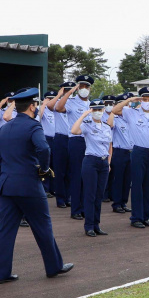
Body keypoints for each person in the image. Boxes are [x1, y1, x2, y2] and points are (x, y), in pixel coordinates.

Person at [0, 88, 73, 282]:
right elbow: (44, 148)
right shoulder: (33, 126)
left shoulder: (5, 127)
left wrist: (1, 180)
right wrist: (44, 169)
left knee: (5, 230)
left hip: (7, 184)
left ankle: (1, 273)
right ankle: (53, 266)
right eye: (35, 105)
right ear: (31, 106)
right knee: (42, 226)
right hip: (28, 184)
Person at [111, 88, 149, 228]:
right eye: (144, 99)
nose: (147, 102)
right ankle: (136, 217)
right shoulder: (131, 113)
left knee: (148, 186)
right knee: (137, 185)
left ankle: (145, 217)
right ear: (140, 100)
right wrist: (129, 100)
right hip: (138, 151)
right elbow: (114, 110)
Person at [71, 100, 113, 236]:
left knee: (99, 195)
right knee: (90, 194)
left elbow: (110, 146)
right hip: (91, 161)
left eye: (100, 110)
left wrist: (109, 162)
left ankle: (96, 225)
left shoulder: (106, 127)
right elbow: (74, 130)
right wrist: (83, 116)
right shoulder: (87, 125)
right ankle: (88, 225)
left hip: (103, 163)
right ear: (91, 110)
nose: (98, 112)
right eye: (95, 110)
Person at [55, 76, 93, 219]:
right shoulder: (71, 102)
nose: (84, 89)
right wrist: (69, 92)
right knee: (76, 175)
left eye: (86, 87)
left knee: (87, 176)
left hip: (89, 141)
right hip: (76, 141)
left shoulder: (92, 105)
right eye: (81, 86)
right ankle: (76, 209)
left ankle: (84, 208)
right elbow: (58, 107)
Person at [50, 81, 76, 209]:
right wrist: (59, 95)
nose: (69, 92)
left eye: (71, 90)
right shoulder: (58, 103)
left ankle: (69, 197)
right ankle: (60, 198)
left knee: (70, 170)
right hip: (60, 138)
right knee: (60, 170)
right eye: (66, 90)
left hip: (72, 138)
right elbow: (50, 105)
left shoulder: (75, 104)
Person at [108, 94, 133, 214]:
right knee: (118, 179)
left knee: (127, 180)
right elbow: (110, 124)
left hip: (131, 152)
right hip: (119, 151)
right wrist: (114, 112)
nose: (126, 107)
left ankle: (123, 202)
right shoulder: (115, 119)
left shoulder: (131, 118)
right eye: (123, 104)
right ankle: (117, 203)